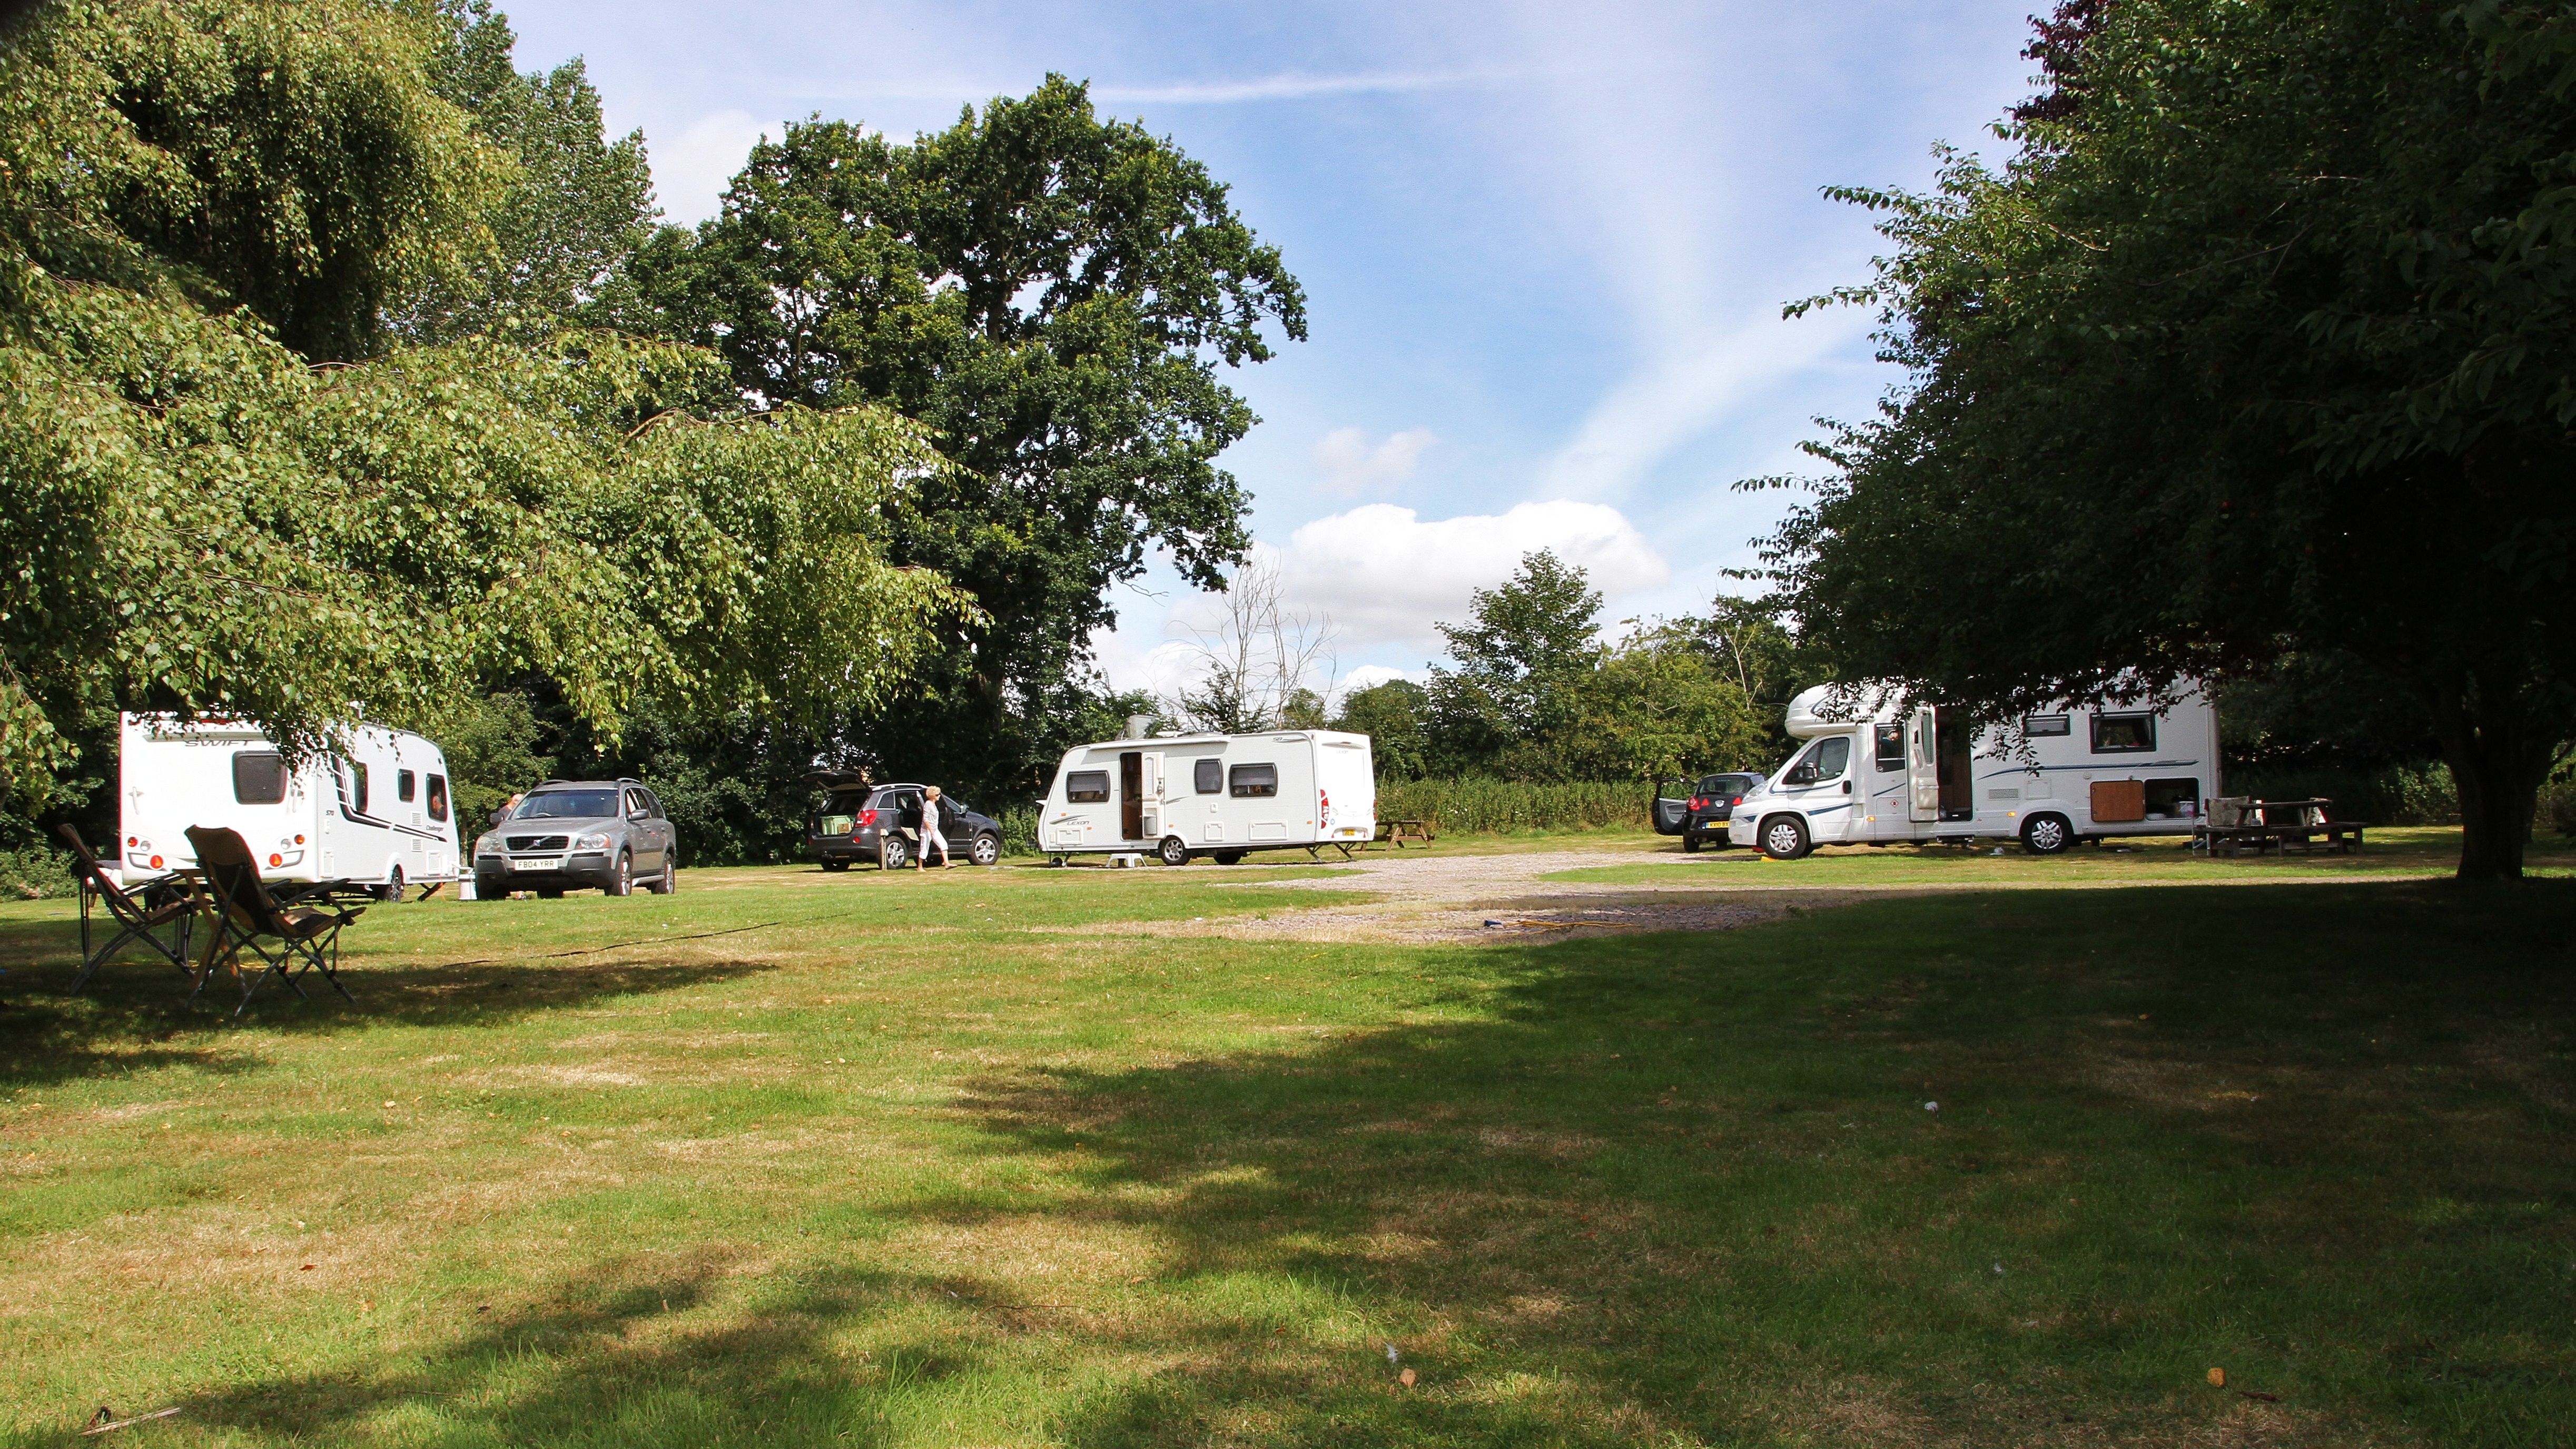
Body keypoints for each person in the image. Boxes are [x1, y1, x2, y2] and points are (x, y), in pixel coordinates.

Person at [918, 786, 951, 869]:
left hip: (934, 829)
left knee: (943, 844)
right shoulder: (928, 804)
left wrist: (934, 830)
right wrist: (930, 830)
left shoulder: (934, 804)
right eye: (937, 795)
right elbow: (925, 819)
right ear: (932, 796)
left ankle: (947, 863)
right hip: (927, 830)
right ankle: (920, 866)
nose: (939, 796)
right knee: (924, 847)